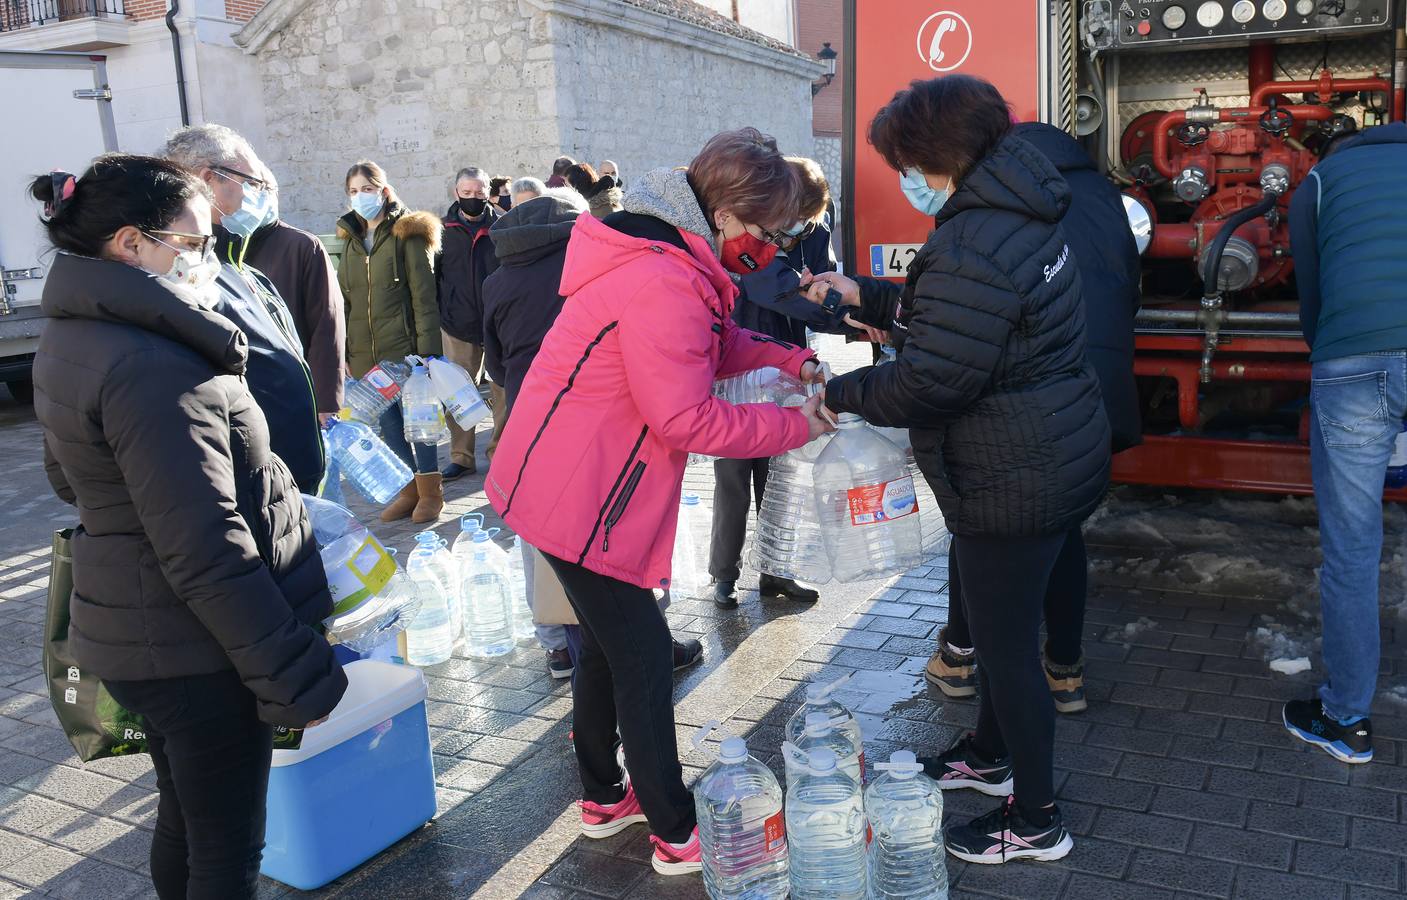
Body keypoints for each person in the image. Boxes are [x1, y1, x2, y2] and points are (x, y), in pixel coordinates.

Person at [487, 128, 834, 875]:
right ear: (726, 215)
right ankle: (675, 832)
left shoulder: (668, 258)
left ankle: (604, 795)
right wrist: (794, 423)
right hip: (580, 494)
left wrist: (791, 358)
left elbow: (713, 343)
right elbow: (687, 417)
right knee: (641, 656)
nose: (770, 247)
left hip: (573, 481)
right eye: (766, 232)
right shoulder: (661, 276)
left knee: (611, 652)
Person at [805, 76, 1109, 865]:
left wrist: (839, 390)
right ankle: (987, 755)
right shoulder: (1018, 213)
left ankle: (1034, 819)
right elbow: (970, 320)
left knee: (1005, 653)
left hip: (1010, 471)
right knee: (1000, 622)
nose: (902, 176)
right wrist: (867, 293)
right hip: (1047, 448)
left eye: (904, 161)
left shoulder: (970, 239)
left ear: (934, 156)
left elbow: (933, 378)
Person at [29, 155, 347, 899]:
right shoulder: (152, 360)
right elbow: (205, 547)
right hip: (193, 644)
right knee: (226, 852)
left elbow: (66, 479)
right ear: (130, 244)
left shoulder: (78, 330)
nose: (208, 258)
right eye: (195, 242)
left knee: (188, 819)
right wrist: (288, 664)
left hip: (143, 628)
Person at [926, 121, 1142, 715]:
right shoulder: (1097, 193)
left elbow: (977, 321)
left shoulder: (998, 210)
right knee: (1065, 525)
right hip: (1098, 385)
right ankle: (1065, 670)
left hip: (1029, 398)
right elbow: (1131, 281)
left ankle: (963, 654)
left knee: (980, 524)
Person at [1283, 121, 1407, 764]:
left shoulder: (1321, 181)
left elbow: (1314, 296)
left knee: (1353, 551)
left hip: (1354, 364)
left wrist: (1328, 349)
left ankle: (1347, 719)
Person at [708, 155, 849, 610]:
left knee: (782, 480)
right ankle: (724, 575)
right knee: (734, 478)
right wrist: (848, 317)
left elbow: (818, 282)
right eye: (795, 220)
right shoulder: (750, 231)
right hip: (738, 369)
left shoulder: (814, 231)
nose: (798, 229)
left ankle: (776, 572)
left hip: (790, 366)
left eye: (808, 221)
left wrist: (839, 306)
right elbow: (773, 289)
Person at [160, 125, 327, 495]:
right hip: (253, 491)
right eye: (252, 182)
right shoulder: (186, 279)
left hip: (291, 485)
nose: (260, 195)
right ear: (209, 180)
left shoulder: (238, 267)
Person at [335, 160, 445, 523]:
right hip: (367, 352)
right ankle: (408, 490)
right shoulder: (350, 240)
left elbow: (423, 296)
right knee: (389, 425)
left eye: (366, 189)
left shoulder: (407, 233)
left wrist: (428, 352)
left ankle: (431, 492)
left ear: (383, 190)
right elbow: (346, 301)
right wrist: (347, 351)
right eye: (353, 191)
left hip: (405, 348)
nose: (360, 197)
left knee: (420, 420)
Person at [436, 166, 506, 479]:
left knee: (502, 391)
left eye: (479, 193)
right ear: (456, 193)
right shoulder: (440, 230)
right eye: (467, 193)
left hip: (498, 323)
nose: (473, 199)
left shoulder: (504, 226)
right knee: (458, 393)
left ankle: (500, 453)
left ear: (487, 193)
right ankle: (461, 456)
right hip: (457, 323)